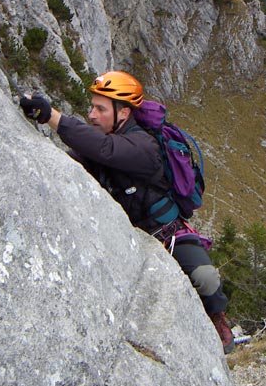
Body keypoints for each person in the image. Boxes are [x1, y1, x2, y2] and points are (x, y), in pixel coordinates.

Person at [20, 71, 235, 353]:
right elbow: (80, 160)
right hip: (125, 235)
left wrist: (52, 117)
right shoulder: (108, 138)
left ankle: (217, 318)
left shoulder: (143, 146)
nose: (92, 115)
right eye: (92, 107)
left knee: (206, 277)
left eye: (100, 108)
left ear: (123, 112)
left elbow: (107, 150)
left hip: (165, 233)